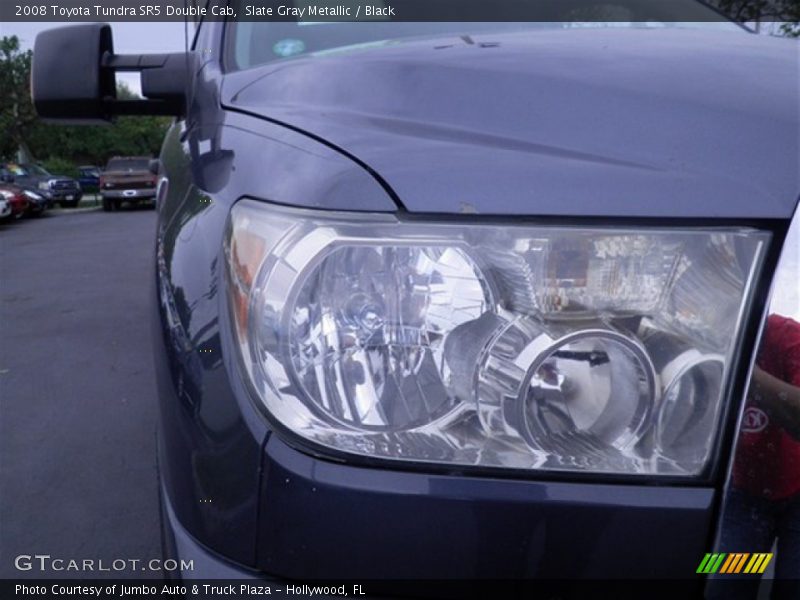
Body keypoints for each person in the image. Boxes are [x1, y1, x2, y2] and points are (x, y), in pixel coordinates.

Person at [708, 314, 800, 599]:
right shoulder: (702, 343)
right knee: (722, 589)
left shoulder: (788, 336)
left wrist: (743, 366)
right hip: (744, 493)